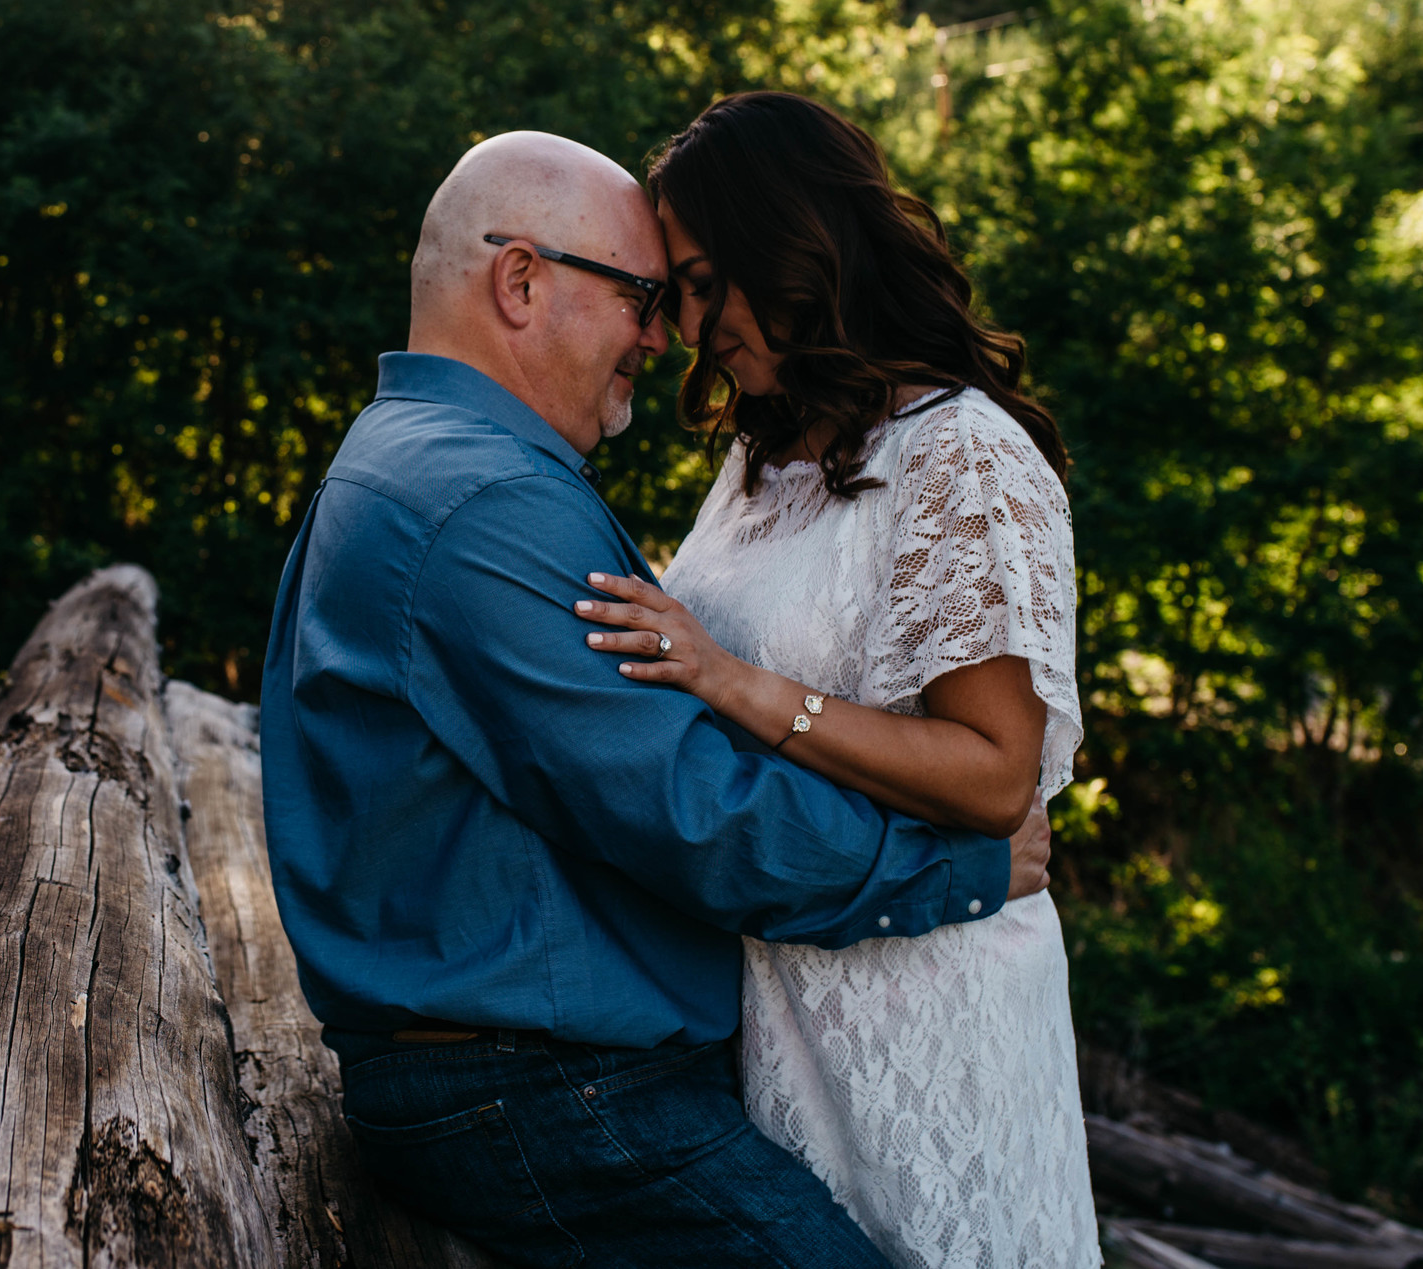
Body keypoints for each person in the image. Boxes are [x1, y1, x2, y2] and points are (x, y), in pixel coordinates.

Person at [258, 129, 1051, 1268]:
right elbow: (693, 811)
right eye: (640, 293)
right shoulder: (480, 501)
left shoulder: (412, 458)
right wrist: (959, 868)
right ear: (519, 279)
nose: (658, 332)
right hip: (541, 1091)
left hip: (529, 1074)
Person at [568, 91, 1101, 1269]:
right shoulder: (767, 458)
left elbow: (992, 775)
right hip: (779, 985)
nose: (690, 325)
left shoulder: (959, 452)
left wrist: (738, 687)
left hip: (927, 1008)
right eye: (674, 292)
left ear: (795, 242)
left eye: (706, 281)